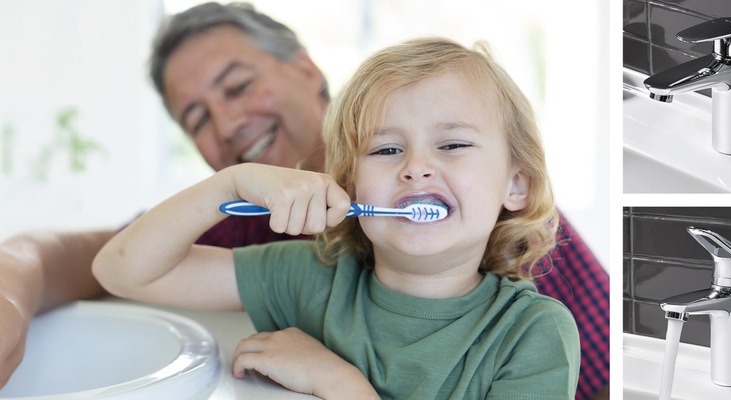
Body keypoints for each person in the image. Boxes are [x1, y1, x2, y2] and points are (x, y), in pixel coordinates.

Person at [0, 3, 609, 398]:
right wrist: (233, 183)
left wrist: (339, 384)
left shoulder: (533, 328)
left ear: (517, 185)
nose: (418, 166)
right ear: (350, 182)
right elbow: (117, 264)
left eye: (451, 143)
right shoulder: (312, 273)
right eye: (386, 151)